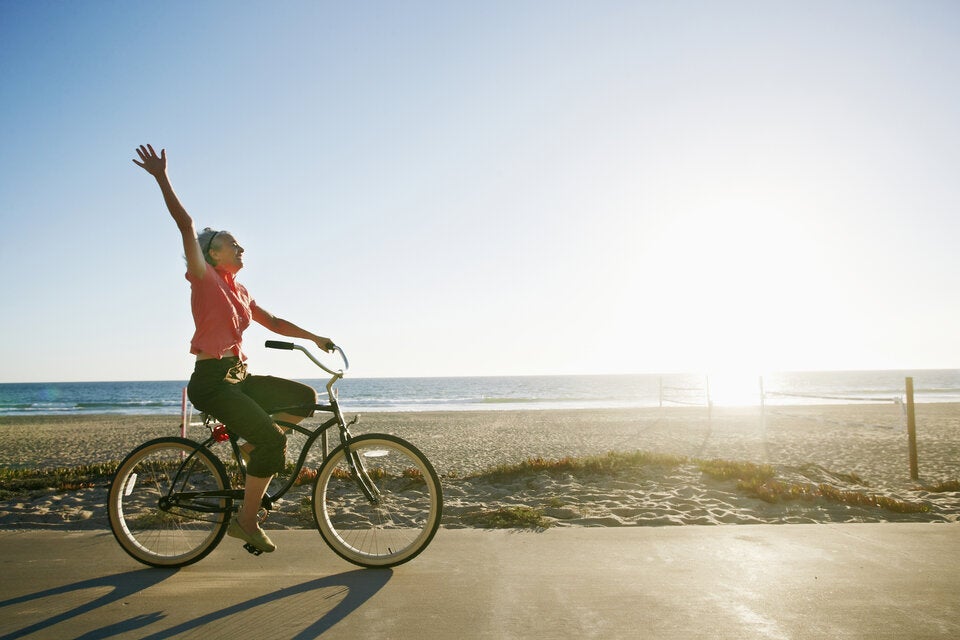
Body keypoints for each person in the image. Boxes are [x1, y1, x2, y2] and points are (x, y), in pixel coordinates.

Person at [133, 144, 333, 553]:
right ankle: (245, 522)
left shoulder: (238, 289)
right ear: (213, 253)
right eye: (233, 243)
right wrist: (161, 177)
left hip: (238, 379)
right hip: (212, 381)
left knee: (304, 397)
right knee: (275, 444)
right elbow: (186, 225)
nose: (241, 248)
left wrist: (315, 337)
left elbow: (273, 322)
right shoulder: (203, 277)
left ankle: (247, 445)